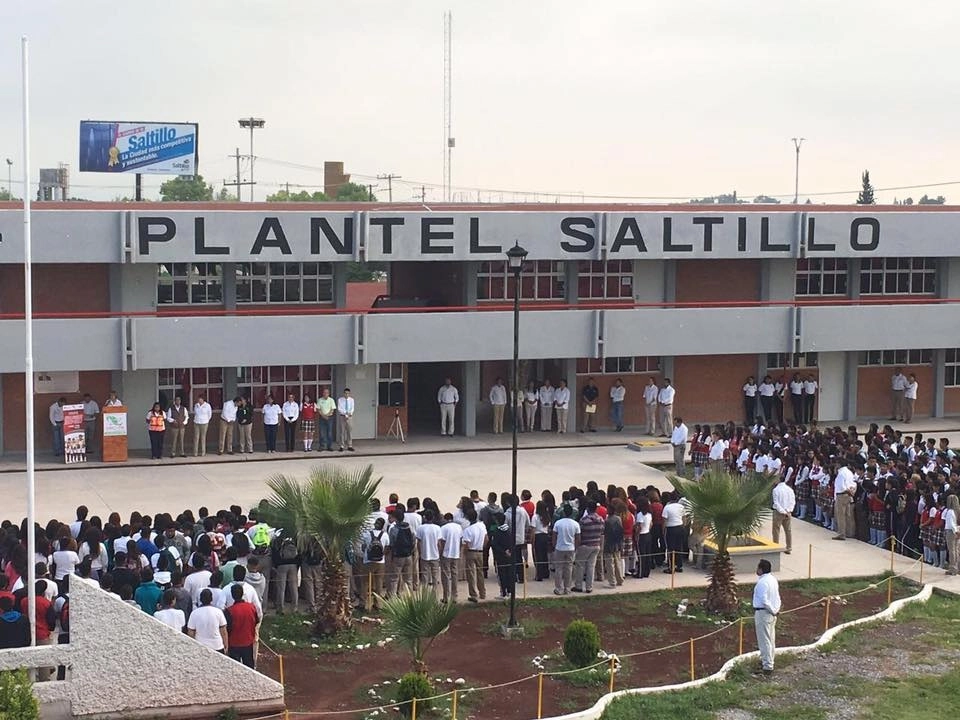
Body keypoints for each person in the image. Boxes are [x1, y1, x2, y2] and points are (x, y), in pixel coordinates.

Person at [752, 559, 781, 676]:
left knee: (764, 640)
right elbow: (777, 597)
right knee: (770, 639)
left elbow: (764, 600)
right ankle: (769, 661)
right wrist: (776, 610)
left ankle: (767, 666)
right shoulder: (773, 580)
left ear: (761, 569)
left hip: (763, 613)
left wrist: (772, 610)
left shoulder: (762, 583)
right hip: (771, 613)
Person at [225, 583, 259, 668]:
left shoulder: (229, 611)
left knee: (235, 669)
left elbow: (228, 629)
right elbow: (256, 621)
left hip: (234, 644)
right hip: (248, 642)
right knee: (249, 667)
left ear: (232, 595)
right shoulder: (251, 607)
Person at [572, 501, 603, 593]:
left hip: (585, 545)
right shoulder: (601, 519)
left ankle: (579, 585)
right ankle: (589, 587)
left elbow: (579, 533)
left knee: (580, 565)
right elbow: (602, 531)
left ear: (588, 509)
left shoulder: (583, 520)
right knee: (591, 566)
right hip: (596, 544)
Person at [187, 588, 228, 653]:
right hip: (217, 645)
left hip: (200, 646)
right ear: (211, 599)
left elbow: (191, 633)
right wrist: (226, 645)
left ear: (200, 599)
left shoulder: (194, 613)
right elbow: (223, 631)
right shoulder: (218, 612)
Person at [361, 517, 389, 611]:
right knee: (379, 583)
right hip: (380, 562)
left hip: (368, 561)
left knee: (365, 582)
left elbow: (363, 547)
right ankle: (378, 604)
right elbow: (386, 549)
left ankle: (363, 603)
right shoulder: (385, 535)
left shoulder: (367, 534)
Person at [552, 504, 580, 596]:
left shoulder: (558, 523)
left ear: (563, 512)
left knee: (559, 569)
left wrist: (554, 545)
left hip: (560, 547)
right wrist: (575, 548)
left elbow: (554, 536)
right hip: (570, 548)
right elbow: (577, 538)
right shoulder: (575, 524)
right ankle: (567, 588)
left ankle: (559, 588)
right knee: (569, 568)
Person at [461, 508, 487, 603]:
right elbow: (486, 538)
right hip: (480, 551)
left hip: (471, 552)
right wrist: (482, 546)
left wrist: (464, 553)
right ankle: (482, 592)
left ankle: (473, 594)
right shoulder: (482, 526)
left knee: (471, 574)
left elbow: (466, 544)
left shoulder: (468, 530)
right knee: (480, 573)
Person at [271, 534, 300, 613]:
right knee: (294, 587)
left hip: (281, 565)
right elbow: (299, 551)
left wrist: (276, 565)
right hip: (293, 564)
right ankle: (295, 608)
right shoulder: (294, 537)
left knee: (281, 588)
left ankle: (281, 608)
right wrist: (297, 564)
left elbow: (274, 551)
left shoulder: (278, 537)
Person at [416, 510, 443, 595]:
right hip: (435, 555)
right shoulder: (437, 528)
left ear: (425, 517)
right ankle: (435, 595)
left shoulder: (420, 528)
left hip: (425, 555)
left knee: (424, 577)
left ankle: (425, 595)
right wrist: (439, 552)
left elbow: (419, 542)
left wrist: (420, 553)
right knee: (435, 577)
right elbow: (439, 543)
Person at [438, 513, 462, 604]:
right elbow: (460, 540)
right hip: (455, 553)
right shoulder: (458, 527)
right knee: (454, 575)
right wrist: (458, 551)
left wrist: (441, 553)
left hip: (446, 554)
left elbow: (442, 542)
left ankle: (446, 596)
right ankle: (454, 596)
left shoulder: (443, 528)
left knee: (446, 576)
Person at [832, 460, 857, 541]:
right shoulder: (849, 472)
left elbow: (841, 487)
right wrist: (852, 491)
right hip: (848, 495)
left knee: (841, 515)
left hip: (842, 495)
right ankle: (850, 533)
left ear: (839, 464)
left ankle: (842, 534)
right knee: (848, 515)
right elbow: (854, 484)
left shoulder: (841, 474)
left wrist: (848, 491)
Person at [771, 475, 795, 554]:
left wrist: (782, 511)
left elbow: (776, 503)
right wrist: (788, 511)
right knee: (788, 530)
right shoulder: (790, 489)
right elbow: (792, 501)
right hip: (788, 512)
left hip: (778, 512)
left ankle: (775, 547)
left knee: (776, 530)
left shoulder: (776, 490)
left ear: (778, 480)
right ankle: (789, 547)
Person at [662, 492, 686, 573]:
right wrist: (683, 526)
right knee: (679, 547)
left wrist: (663, 530)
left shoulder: (667, 507)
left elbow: (664, 521)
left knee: (670, 548)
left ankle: (671, 566)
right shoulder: (681, 507)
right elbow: (684, 518)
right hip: (680, 527)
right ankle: (679, 565)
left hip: (671, 528)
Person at [316, 387, 336, 452]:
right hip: (322, 418)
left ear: (328, 393)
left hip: (329, 418)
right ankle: (322, 446)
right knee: (322, 433)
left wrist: (327, 415)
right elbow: (318, 409)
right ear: (323, 393)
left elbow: (332, 409)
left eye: (327, 393)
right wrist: (324, 416)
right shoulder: (320, 400)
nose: (325, 394)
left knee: (329, 433)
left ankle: (329, 446)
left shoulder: (331, 400)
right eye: (324, 392)